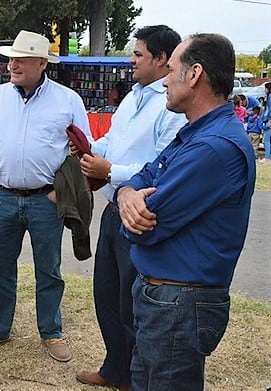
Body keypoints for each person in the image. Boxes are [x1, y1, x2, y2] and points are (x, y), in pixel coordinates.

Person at [115, 33, 256, 390]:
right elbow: (143, 174)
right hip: (165, 300)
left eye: (172, 69)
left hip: (178, 304)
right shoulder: (197, 133)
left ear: (194, 75)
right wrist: (126, 193)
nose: (164, 79)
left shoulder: (213, 148)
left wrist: (129, 204)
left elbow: (143, 227)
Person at [0, 30, 91, 363]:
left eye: (20, 59)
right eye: (11, 58)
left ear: (40, 62)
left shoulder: (68, 100)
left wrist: (57, 191)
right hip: (2, 197)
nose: (12, 65)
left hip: (46, 200)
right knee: (0, 267)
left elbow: (83, 150)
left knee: (48, 269)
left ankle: (51, 332)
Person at [73, 25, 187, 390]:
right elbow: (112, 139)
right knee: (106, 293)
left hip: (139, 214)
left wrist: (111, 172)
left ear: (161, 59)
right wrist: (91, 151)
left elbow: (162, 165)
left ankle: (136, 377)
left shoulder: (171, 106)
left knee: (132, 300)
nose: (131, 60)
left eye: (138, 54)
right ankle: (115, 369)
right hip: (112, 210)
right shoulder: (133, 95)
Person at [260, 82, 271, 162]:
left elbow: (269, 110)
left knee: (266, 139)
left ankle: (267, 157)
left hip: (269, 120)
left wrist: (269, 120)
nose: (264, 90)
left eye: (265, 88)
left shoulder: (270, 97)